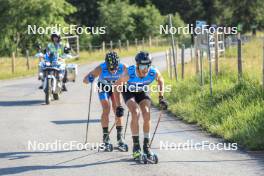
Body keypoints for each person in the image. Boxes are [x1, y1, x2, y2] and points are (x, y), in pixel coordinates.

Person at [114, 51, 168, 159]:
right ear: (138, 65)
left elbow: (160, 80)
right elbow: (116, 86)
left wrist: (161, 97)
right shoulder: (129, 73)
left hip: (142, 91)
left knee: (147, 113)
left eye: (147, 65)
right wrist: (118, 105)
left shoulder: (153, 72)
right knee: (135, 112)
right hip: (129, 91)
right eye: (142, 66)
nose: (145, 69)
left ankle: (146, 146)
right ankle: (136, 146)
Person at [83, 51, 128, 151]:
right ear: (106, 65)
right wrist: (89, 78)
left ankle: (120, 138)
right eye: (111, 68)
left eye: (115, 68)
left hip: (116, 87)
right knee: (106, 108)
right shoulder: (101, 68)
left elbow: (133, 75)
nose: (113, 70)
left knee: (117, 109)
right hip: (103, 87)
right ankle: (105, 138)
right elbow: (85, 80)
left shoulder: (123, 67)